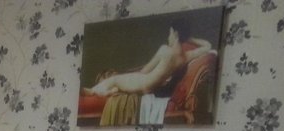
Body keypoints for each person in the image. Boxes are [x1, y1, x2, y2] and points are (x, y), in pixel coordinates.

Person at [82, 19, 212, 97]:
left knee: (115, 79)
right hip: (153, 87)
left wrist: (129, 76)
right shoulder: (186, 57)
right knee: (118, 82)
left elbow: (145, 71)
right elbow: (208, 46)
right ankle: (108, 91)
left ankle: (93, 91)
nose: (168, 37)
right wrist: (188, 37)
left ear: (175, 34)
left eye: (170, 33)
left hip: (143, 84)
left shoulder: (165, 50)